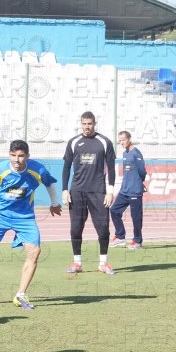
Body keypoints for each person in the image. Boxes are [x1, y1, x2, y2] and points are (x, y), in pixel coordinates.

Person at [0, 140, 61, 310]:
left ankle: (21, 294)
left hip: (25, 217)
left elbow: (49, 183)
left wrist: (54, 202)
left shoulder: (38, 169)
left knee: (35, 251)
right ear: (9, 154)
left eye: (21, 156)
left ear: (27, 156)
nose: (17, 159)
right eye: (13, 155)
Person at [62, 111, 117, 275]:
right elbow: (66, 167)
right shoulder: (73, 142)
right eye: (84, 124)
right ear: (81, 124)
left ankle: (103, 263)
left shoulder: (104, 142)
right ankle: (77, 263)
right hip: (77, 191)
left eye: (90, 124)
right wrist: (65, 189)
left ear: (95, 124)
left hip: (98, 191)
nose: (87, 127)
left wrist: (110, 191)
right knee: (76, 228)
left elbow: (112, 168)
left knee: (103, 228)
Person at [109, 130, 147, 250]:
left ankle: (137, 241)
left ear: (129, 139)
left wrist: (139, 183)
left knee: (136, 217)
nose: (121, 142)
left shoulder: (136, 153)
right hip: (124, 190)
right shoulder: (125, 153)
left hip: (135, 191)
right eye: (120, 140)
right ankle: (120, 236)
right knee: (114, 210)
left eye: (123, 140)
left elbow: (142, 171)